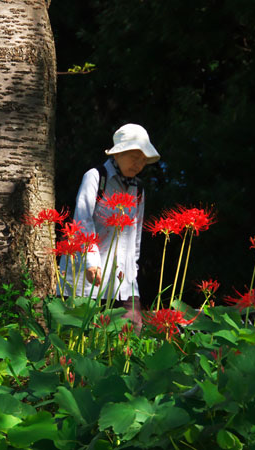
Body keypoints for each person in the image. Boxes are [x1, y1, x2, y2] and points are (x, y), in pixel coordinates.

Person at [59, 123, 160, 331]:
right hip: (87, 275)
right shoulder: (96, 177)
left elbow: (136, 233)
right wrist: (91, 261)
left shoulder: (138, 188)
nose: (139, 164)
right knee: (81, 335)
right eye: (135, 156)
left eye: (143, 159)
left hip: (124, 279)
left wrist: (133, 271)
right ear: (119, 153)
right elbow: (82, 220)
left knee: (132, 329)